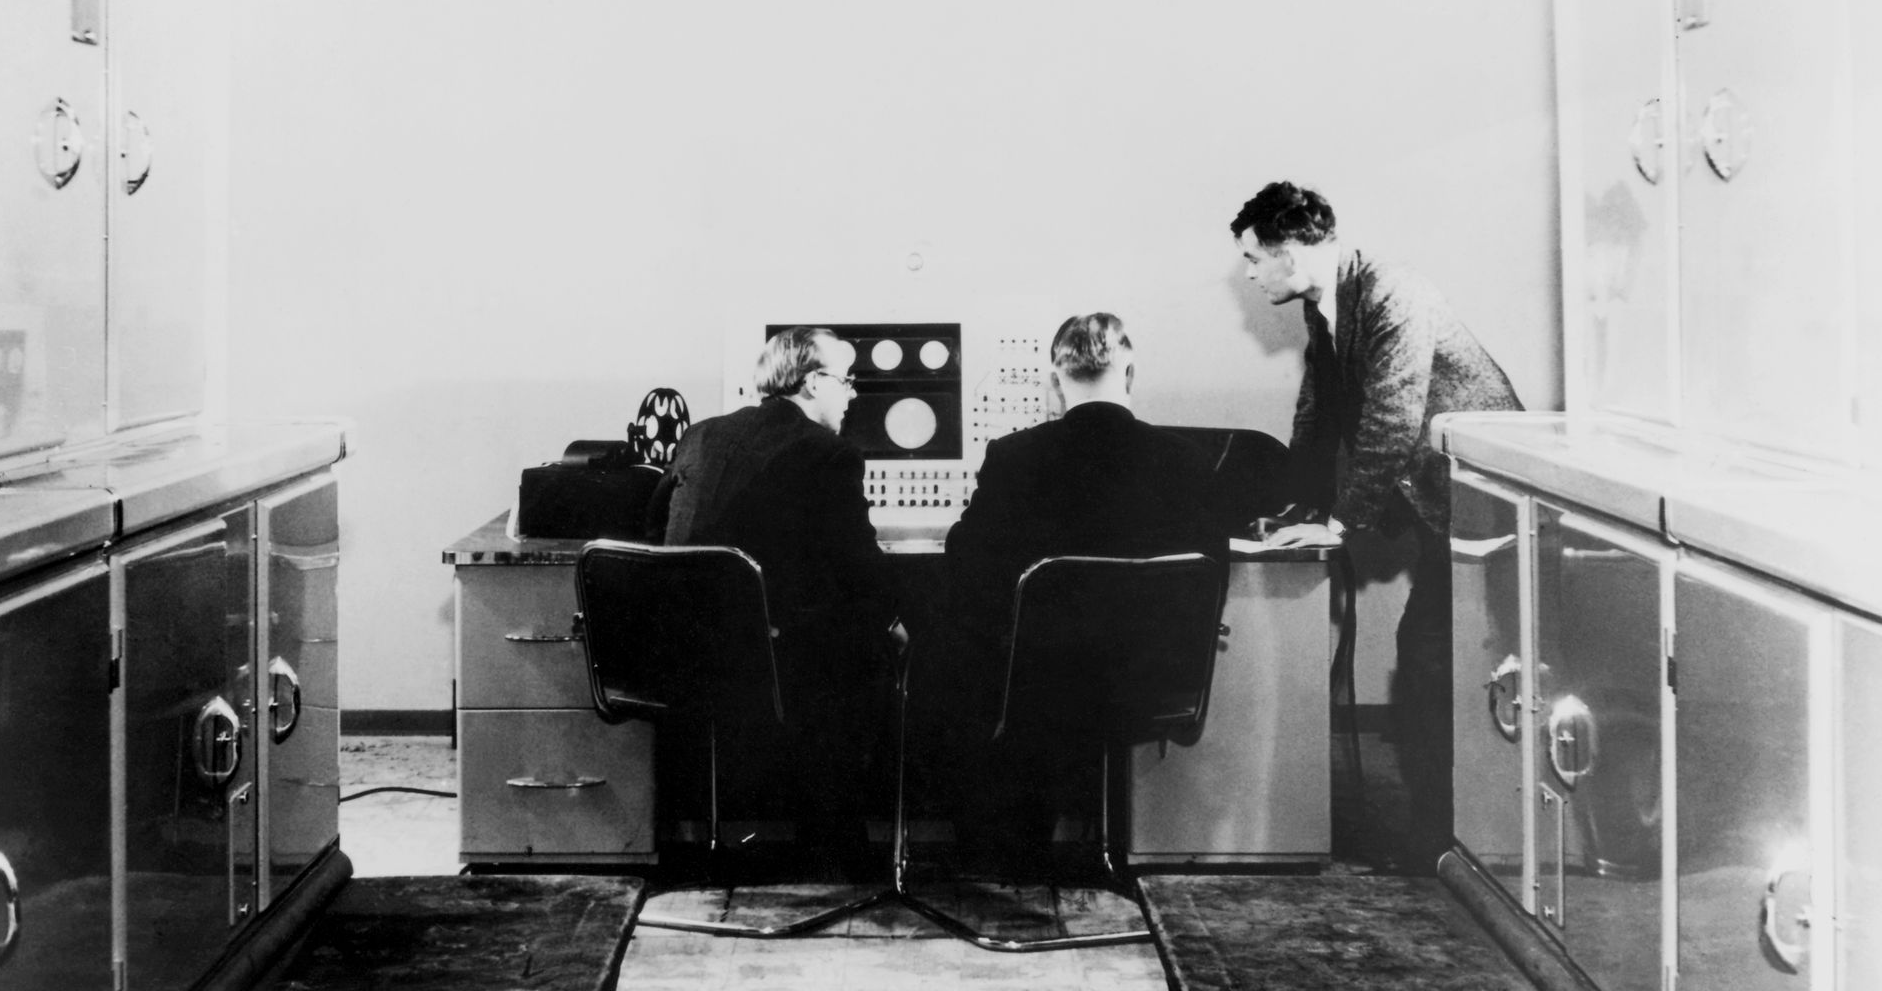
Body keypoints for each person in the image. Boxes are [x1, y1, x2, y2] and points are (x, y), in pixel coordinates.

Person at [1228, 180, 1523, 869]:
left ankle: (1442, 843)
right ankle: (1443, 835)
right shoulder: (1329, 306)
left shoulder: (1392, 292)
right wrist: (1293, 509)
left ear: (1290, 250)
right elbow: (1319, 414)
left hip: (1489, 507)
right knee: (1430, 661)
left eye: (1253, 258)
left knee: (1432, 660)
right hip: (1442, 503)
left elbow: (1392, 416)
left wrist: (1338, 525)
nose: (1249, 274)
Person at [924, 312, 1222, 861]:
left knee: (954, 654)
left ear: (1055, 381)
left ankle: (995, 847)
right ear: (1129, 373)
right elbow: (1211, 571)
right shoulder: (1187, 461)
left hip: (1042, 680)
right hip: (1153, 676)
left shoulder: (1014, 457)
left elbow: (967, 560)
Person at [645, 326, 900, 858]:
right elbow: (861, 567)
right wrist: (898, 622)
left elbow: (652, 528)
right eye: (846, 381)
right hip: (771, 664)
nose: (852, 395)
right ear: (812, 383)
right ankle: (835, 848)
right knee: (864, 649)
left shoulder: (701, 435)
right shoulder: (829, 454)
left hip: (676, 653)